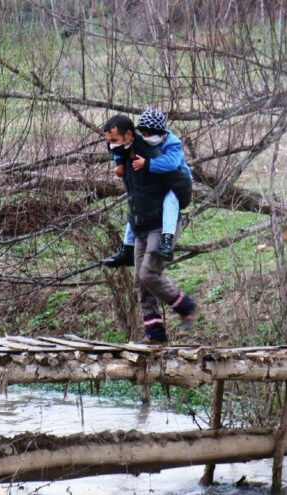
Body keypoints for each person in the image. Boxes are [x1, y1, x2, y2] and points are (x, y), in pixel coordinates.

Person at [101, 114, 198, 344]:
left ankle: (187, 307)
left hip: (161, 223)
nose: (112, 143)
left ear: (128, 134)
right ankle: (155, 334)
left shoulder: (154, 151)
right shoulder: (123, 150)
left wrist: (151, 166)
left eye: (115, 138)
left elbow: (181, 180)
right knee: (139, 280)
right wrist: (119, 164)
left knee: (149, 273)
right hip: (140, 224)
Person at [102, 109, 193, 266]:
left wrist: (148, 163)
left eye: (150, 134)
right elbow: (117, 150)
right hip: (149, 194)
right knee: (135, 208)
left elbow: (172, 164)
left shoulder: (172, 142)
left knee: (169, 204)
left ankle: (166, 239)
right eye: (143, 133)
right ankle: (127, 249)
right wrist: (119, 164)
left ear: (161, 131)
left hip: (177, 184)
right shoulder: (136, 142)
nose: (147, 137)